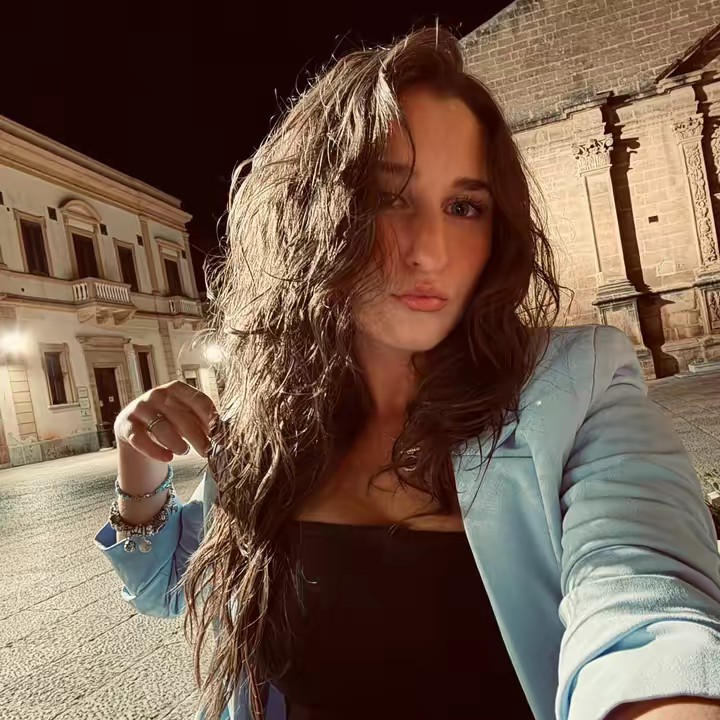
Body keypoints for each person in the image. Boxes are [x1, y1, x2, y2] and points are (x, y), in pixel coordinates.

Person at [94, 27, 720, 720]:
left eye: (464, 206)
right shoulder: (269, 422)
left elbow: (644, 605)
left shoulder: (578, 386)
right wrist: (136, 461)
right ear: (310, 216)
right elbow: (165, 587)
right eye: (389, 197)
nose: (431, 250)